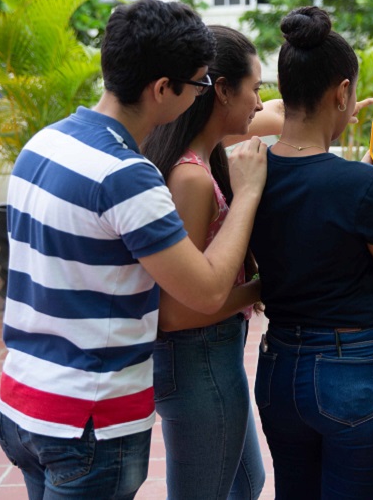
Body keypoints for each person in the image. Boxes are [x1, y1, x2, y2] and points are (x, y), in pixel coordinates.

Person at [0, 0, 268, 500]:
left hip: (22, 405)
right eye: (201, 82)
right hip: (88, 423)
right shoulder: (127, 178)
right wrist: (247, 194)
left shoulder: (45, 144)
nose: (205, 94)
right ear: (163, 89)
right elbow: (203, 293)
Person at [248, 6, 373, 499]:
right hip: (357, 372)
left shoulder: (250, 171)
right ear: (343, 92)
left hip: (280, 366)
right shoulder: (365, 185)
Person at [142, 25, 270, 500]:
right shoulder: (191, 178)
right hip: (197, 356)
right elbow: (176, 312)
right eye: (255, 88)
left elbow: (275, 115)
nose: (259, 103)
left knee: (246, 483)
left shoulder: (203, 152)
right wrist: (262, 288)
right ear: (220, 90)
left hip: (214, 355)